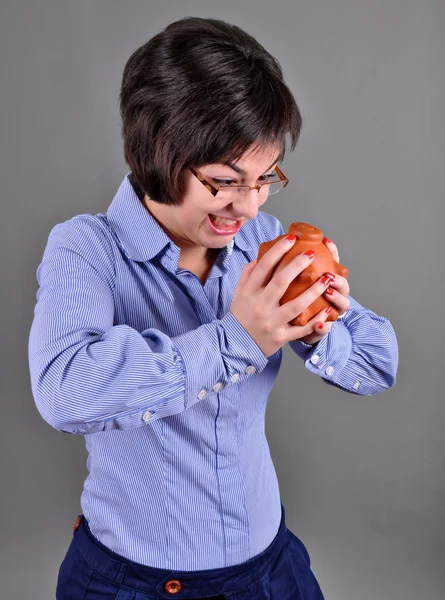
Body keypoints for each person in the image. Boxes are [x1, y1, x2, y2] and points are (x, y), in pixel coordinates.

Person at [28, 16, 398, 600]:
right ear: (159, 153)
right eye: (225, 181)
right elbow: (64, 391)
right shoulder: (87, 246)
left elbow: (379, 366)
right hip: (131, 583)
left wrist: (320, 330)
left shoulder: (262, 238)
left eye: (264, 179)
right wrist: (241, 337)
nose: (248, 208)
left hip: (271, 572)